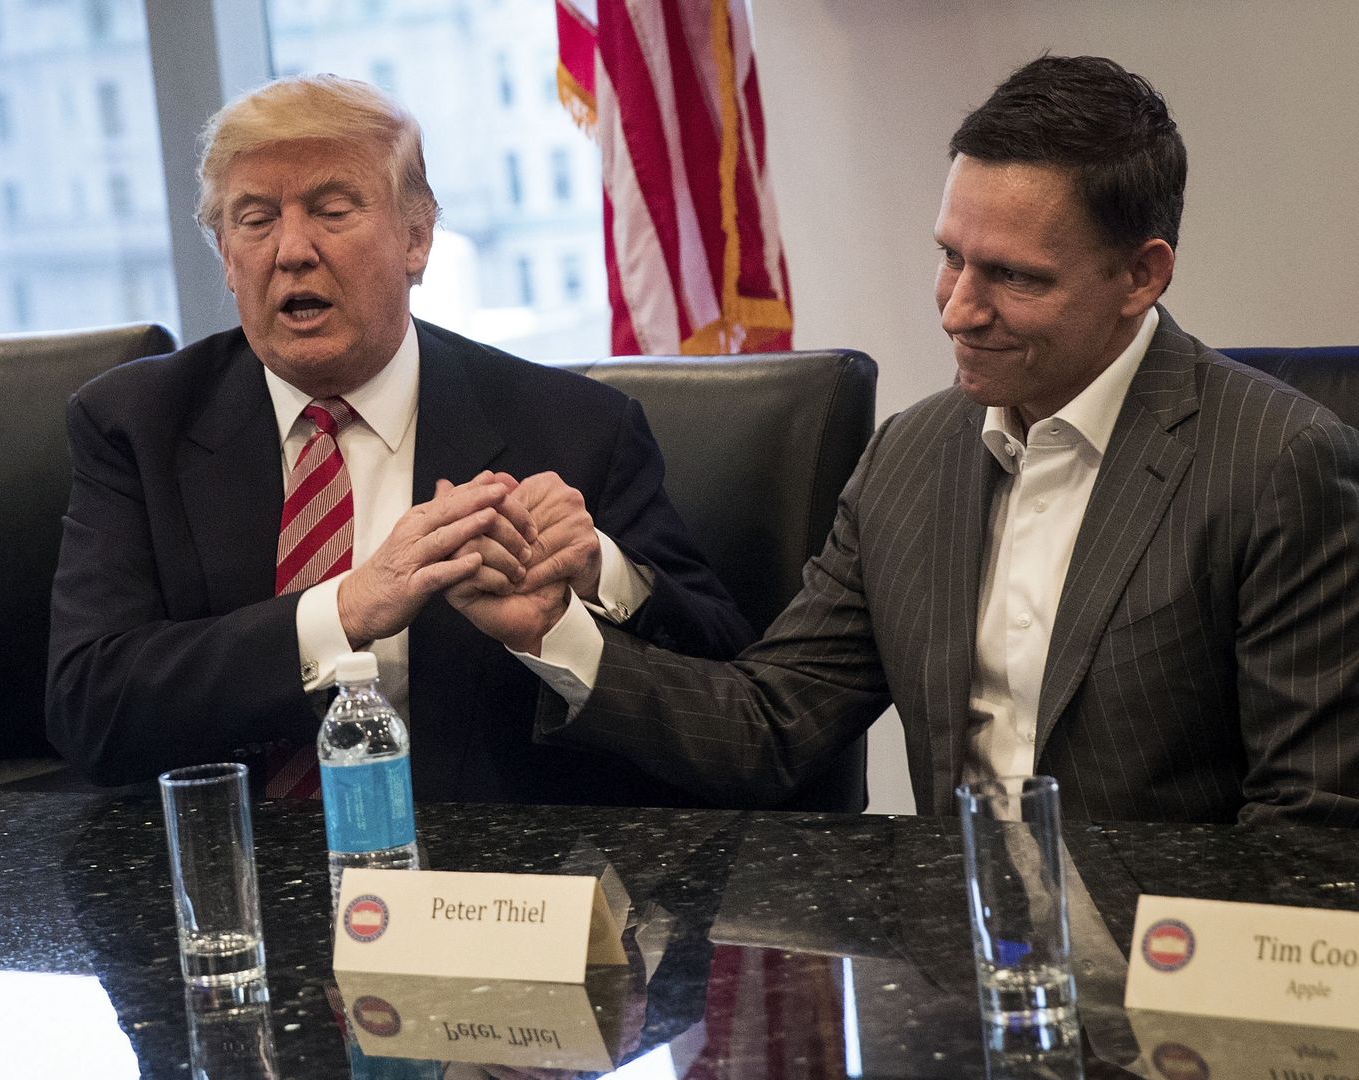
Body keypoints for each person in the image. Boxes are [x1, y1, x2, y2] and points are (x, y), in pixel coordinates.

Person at [465, 56, 1359, 826]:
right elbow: (771, 726)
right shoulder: (912, 454)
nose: (958, 310)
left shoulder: (1280, 465)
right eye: (951, 258)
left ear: (1140, 276)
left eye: (1012, 276)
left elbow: (1308, 830)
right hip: (959, 948)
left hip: (1165, 959)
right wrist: (555, 631)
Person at [46, 74, 757, 806]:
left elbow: (729, 680)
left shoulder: (574, 429)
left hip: (478, 864)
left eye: (331, 211)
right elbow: (90, 707)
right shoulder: (136, 424)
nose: (292, 250)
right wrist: (343, 612)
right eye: (256, 220)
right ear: (227, 257)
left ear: (416, 239)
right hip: (231, 859)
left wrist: (597, 575)